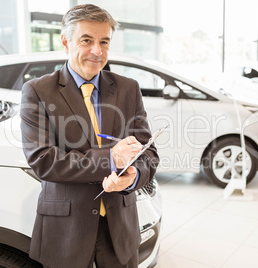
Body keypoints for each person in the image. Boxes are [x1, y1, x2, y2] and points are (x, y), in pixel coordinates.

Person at [20, 3, 159, 268]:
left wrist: (133, 176)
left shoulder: (128, 88)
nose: (97, 51)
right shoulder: (38, 91)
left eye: (104, 41)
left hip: (119, 230)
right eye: (87, 40)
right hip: (66, 232)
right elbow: (43, 160)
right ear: (65, 41)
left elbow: (148, 153)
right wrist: (111, 159)